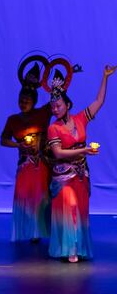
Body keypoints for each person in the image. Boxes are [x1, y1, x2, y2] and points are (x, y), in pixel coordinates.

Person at [46, 63, 116, 262]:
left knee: (80, 210)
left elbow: (99, 101)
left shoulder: (80, 120)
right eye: (52, 106)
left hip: (81, 174)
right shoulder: (54, 128)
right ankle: (70, 249)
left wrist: (105, 77)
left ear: (68, 105)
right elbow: (58, 153)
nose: (55, 109)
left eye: (58, 105)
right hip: (63, 177)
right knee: (70, 207)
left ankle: (76, 247)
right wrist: (84, 150)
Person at [1, 56, 52, 242]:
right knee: (26, 198)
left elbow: (59, 97)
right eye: (21, 100)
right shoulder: (13, 120)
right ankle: (31, 231)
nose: (23, 103)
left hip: (42, 164)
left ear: (34, 101)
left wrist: (65, 76)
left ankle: (42, 231)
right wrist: (17, 144)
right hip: (24, 166)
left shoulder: (43, 113)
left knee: (42, 198)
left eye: (27, 100)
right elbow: (3, 140)